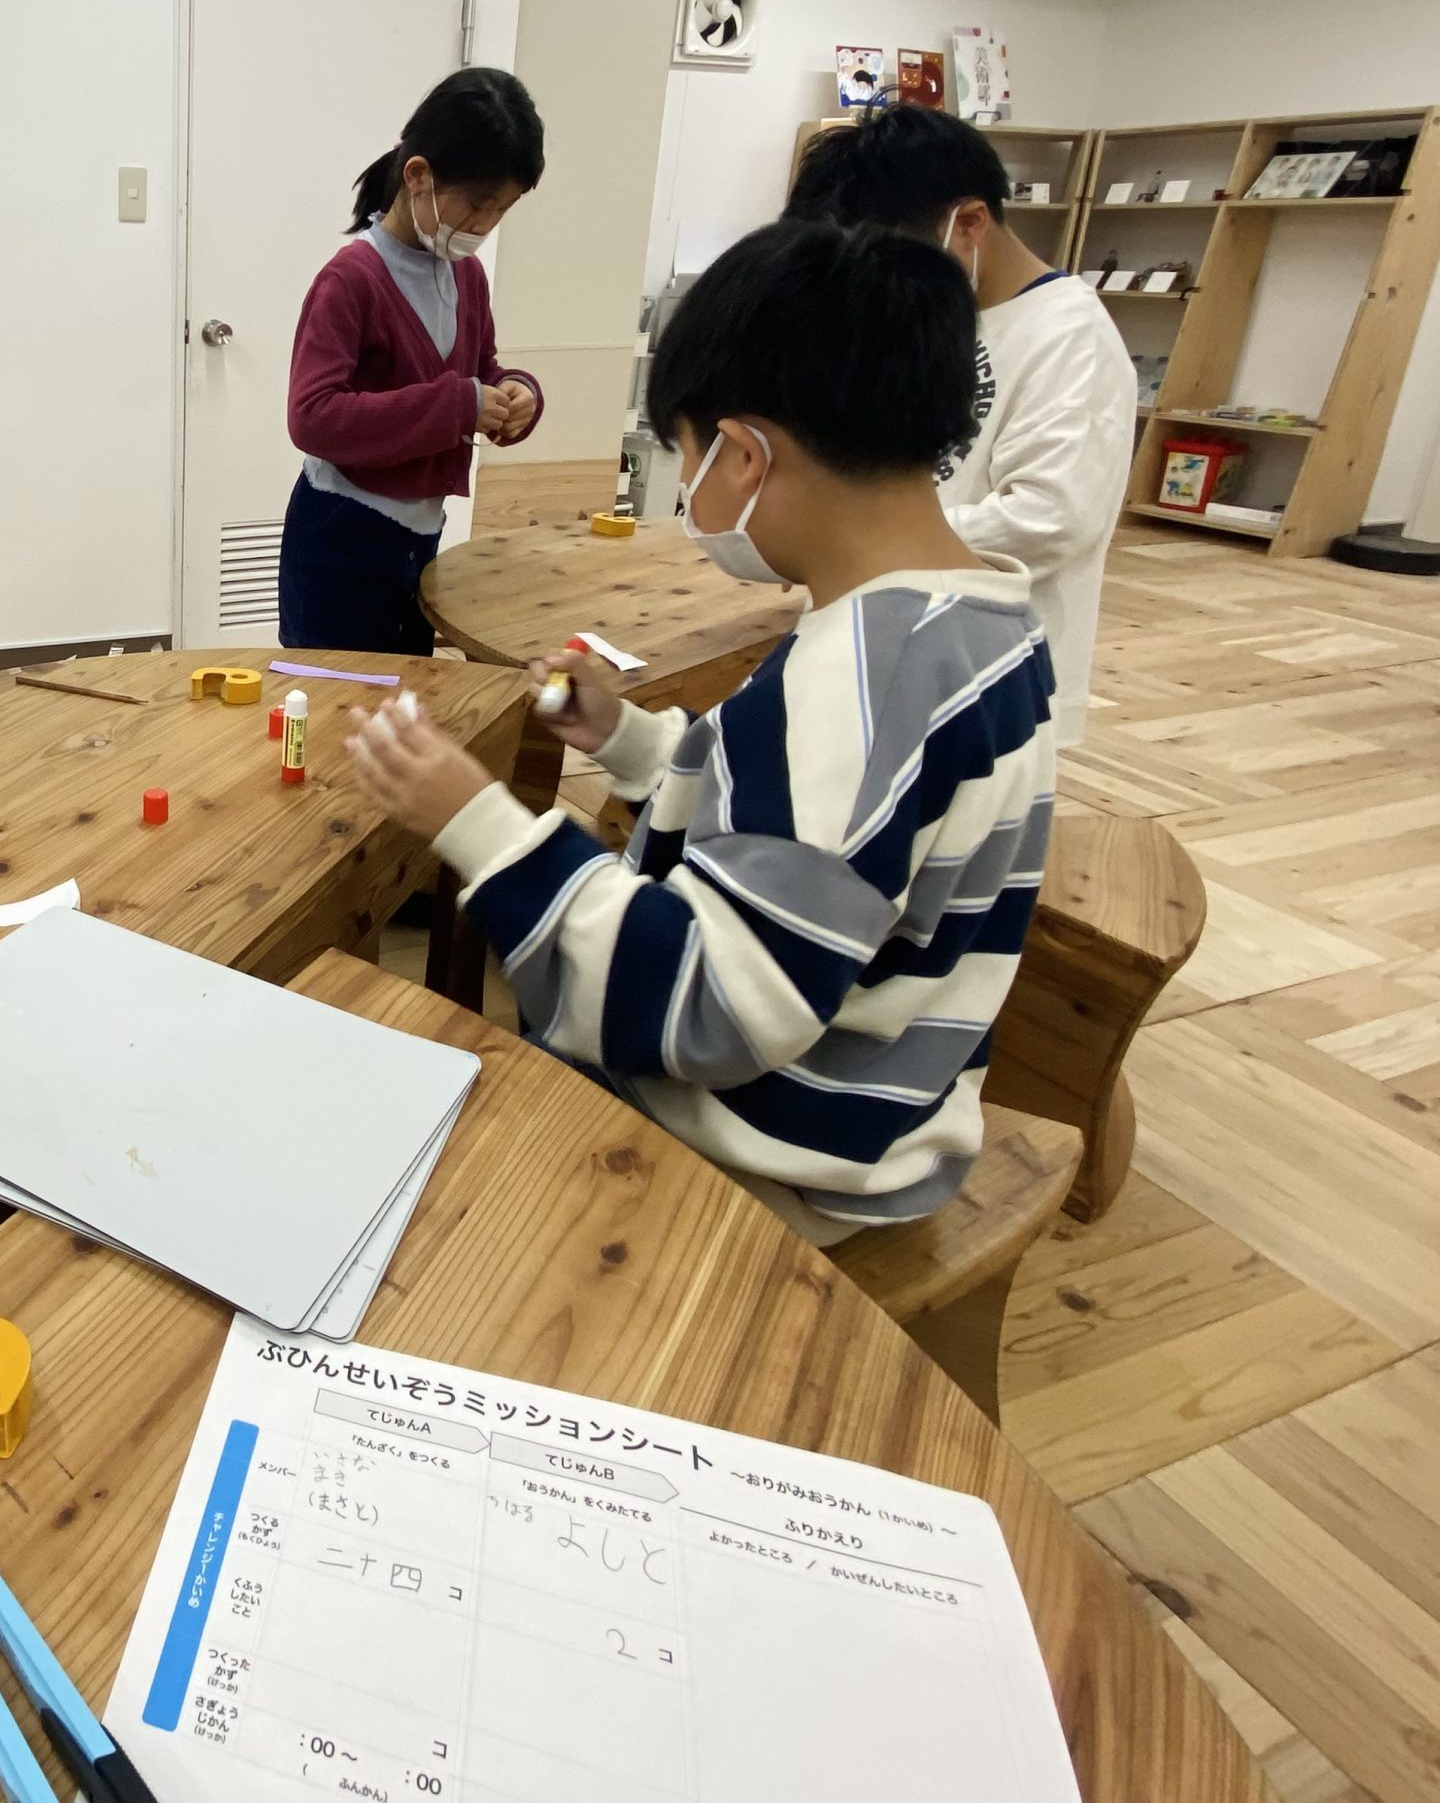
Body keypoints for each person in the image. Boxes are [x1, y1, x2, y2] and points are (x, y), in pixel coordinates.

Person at [346, 221, 1058, 1243]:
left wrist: (479, 826)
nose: (691, 489)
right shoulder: (984, 623)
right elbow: (813, 839)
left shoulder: (857, 678)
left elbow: (711, 1005)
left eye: (684, 455)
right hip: (892, 1105)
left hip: (771, 1157)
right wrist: (630, 742)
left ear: (743, 454)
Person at [788, 102, 1134, 748]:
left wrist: (853, 535)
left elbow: (1052, 517)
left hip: (990, 665)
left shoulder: (1068, 334)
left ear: (969, 222)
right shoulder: (941, 314)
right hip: (890, 628)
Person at [279, 66, 546, 655]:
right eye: (477, 203)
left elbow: (482, 370)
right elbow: (312, 417)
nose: (484, 226)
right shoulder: (350, 279)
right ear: (418, 175)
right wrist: (459, 405)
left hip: (419, 541)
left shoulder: (467, 276)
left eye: (500, 210)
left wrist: (514, 394)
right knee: (335, 719)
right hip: (340, 540)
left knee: (401, 713)